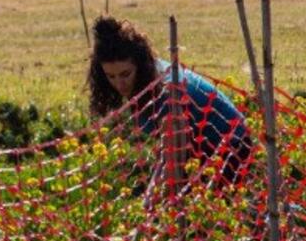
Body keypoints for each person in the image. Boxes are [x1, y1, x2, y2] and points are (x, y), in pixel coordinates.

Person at [88, 16, 253, 183]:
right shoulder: (148, 79)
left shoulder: (166, 94)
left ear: (140, 65)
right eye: (111, 76)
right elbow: (168, 153)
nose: (119, 84)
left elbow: (175, 166)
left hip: (232, 149)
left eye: (125, 74)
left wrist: (159, 198)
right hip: (199, 149)